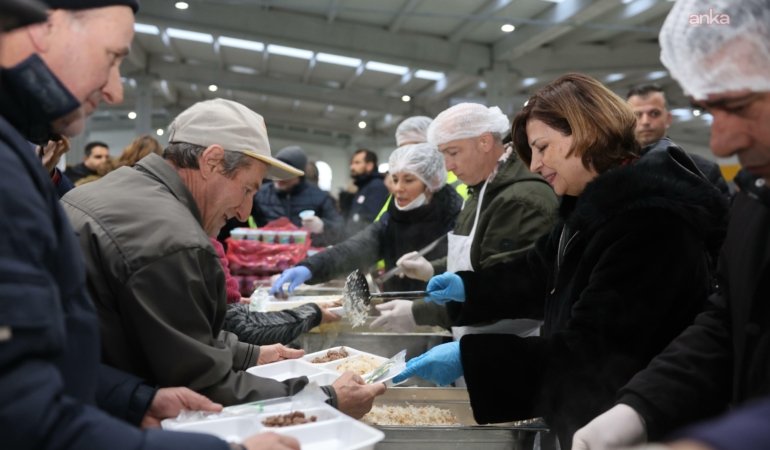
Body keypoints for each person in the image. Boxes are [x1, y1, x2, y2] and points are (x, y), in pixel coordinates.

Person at [0, 1, 300, 449]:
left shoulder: (21, 159)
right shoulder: (171, 240)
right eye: (113, 57)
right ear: (44, 28)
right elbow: (26, 418)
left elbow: (42, 358)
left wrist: (134, 398)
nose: (116, 91)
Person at [393, 73, 728, 448]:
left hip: (632, 427)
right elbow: (537, 272)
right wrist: (468, 289)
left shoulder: (650, 223)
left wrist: (473, 359)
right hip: (583, 415)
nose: (535, 165)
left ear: (587, 131)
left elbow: (596, 353)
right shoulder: (587, 205)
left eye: (542, 147)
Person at [61, 98, 385, 416]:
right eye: (247, 189)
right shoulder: (174, 241)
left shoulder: (113, 189)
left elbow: (172, 336)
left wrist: (250, 355)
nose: (245, 213)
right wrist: (326, 398)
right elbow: (204, 386)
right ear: (212, 161)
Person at [572, 0, 770, 448]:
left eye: (737, 105)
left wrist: (729, 439)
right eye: (711, 110)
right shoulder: (755, 197)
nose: (721, 139)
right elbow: (727, 320)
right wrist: (640, 407)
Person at [391, 103, 558, 333]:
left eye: (453, 152)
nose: (448, 167)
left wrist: (418, 312)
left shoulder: (519, 200)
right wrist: (432, 269)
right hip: (474, 336)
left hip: (511, 344)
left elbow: (502, 292)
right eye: (444, 155)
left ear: (485, 142)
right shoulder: (481, 188)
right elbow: (475, 257)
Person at [270, 142, 463, 308]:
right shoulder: (392, 219)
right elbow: (355, 248)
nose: (398, 188)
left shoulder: (455, 217)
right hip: (396, 311)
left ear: (432, 183)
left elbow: (466, 270)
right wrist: (310, 268)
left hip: (442, 316)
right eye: (395, 179)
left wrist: (431, 271)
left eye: (409, 180)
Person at [626, 83, 730, 197]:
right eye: (637, 115)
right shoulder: (611, 169)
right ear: (627, 120)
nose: (645, 121)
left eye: (654, 113)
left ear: (668, 119)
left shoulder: (703, 171)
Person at [252, 145, 344, 247]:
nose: (280, 178)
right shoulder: (261, 193)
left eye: (287, 174)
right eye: (278, 171)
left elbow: (339, 230)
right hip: (267, 254)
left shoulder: (320, 196)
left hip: (306, 255)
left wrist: (322, 226)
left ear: (299, 174)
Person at [344, 148, 389, 235]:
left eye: (357, 163)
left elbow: (370, 220)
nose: (352, 167)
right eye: (352, 163)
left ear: (369, 166)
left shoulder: (377, 186)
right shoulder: (363, 186)